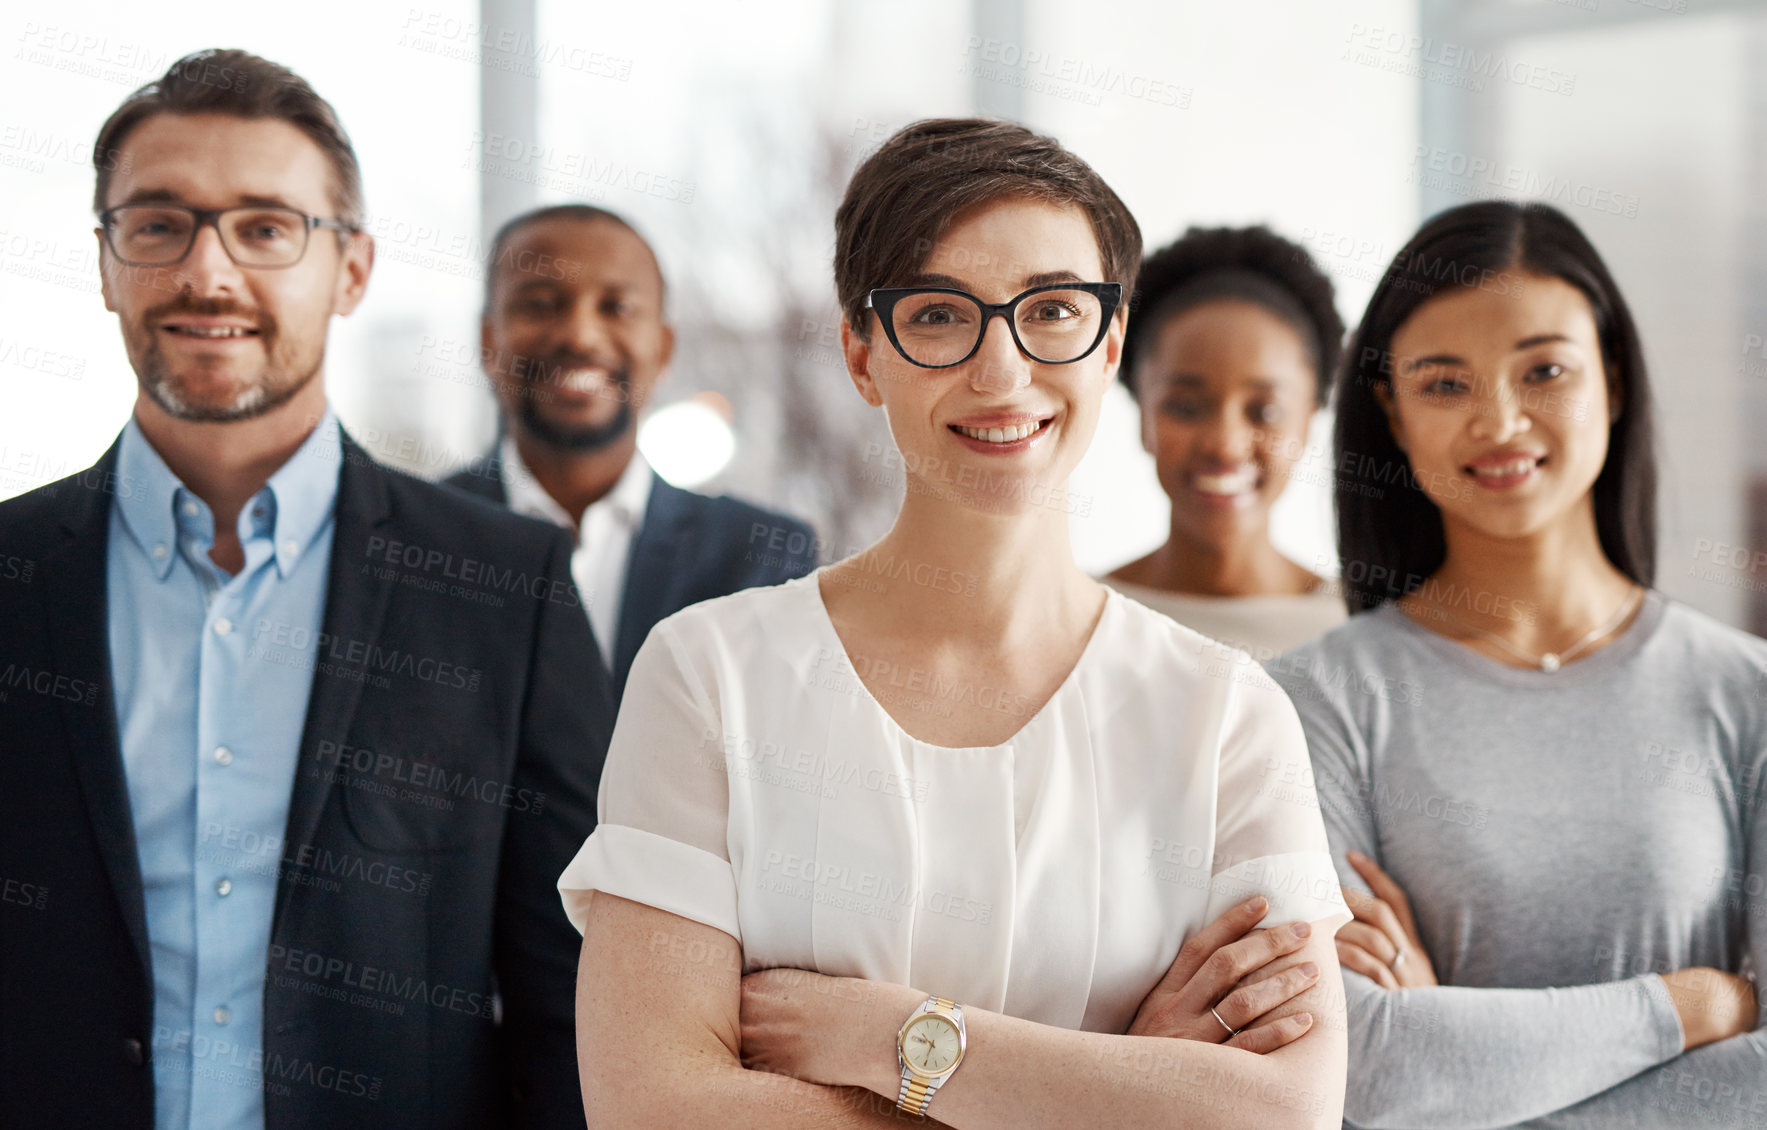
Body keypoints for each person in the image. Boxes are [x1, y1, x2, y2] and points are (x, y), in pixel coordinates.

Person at [559, 118, 1350, 1129]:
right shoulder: (710, 674)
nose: (1001, 370)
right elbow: (653, 1107)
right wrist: (1122, 1087)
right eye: (939, 316)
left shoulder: (1228, 714)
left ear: (1110, 341)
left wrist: (892, 1039)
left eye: (1052, 310)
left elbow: (1282, 1114)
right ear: (860, 351)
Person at [0, 50, 612, 1130]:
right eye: (158, 224)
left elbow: (576, 1002)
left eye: (266, 227)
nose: (209, 272)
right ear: (104, 263)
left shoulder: (503, 594)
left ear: (354, 268)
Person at [1268, 200, 1765, 1128]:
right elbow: (1364, 1069)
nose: (1498, 421)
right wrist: (1698, 1006)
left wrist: (1455, 1054)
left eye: (1543, 370)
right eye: (1444, 384)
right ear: (1393, 411)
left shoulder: (1748, 699)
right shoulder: (1312, 703)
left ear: (1610, 380)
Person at [445, 204, 818, 698]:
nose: (580, 335)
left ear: (663, 348)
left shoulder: (763, 558)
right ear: (488, 341)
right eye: (539, 304)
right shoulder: (411, 538)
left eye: (616, 307)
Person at [1103, 225, 1346, 658]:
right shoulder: (1077, 622)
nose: (1225, 446)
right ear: (1143, 413)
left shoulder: (1358, 632)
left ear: (1310, 419)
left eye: (1265, 412)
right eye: (1185, 407)